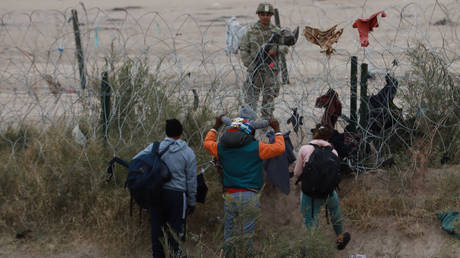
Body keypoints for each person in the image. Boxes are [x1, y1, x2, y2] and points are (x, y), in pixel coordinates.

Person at [203, 115, 285, 256]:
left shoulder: (221, 148)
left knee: (229, 233)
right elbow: (280, 148)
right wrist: (277, 130)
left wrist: (215, 126)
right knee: (246, 236)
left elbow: (207, 142)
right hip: (249, 196)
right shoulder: (256, 147)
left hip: (230, 195)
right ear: (249, 132)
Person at [134, 119, 197, 258]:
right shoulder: (187, 152)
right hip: (177, 196)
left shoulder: (155, 147)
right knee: (177, 234)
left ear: (166, 132)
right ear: (181, 132)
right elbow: (191, 180)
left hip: (156, 194)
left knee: (157, 233)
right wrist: (192, 201)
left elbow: (136, 159)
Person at [293, 124, 351, 250]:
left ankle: (311, 246)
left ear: (315, 134)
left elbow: (297, 173)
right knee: (335, 212)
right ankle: (340, 238)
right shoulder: (333, 152)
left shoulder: (305, 149)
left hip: (310, 194)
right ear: (328, 137)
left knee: (311, 219)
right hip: (329, 192)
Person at [239, 2, 289, 119]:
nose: (265, 16)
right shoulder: (250, 32)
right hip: (255, 71)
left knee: (269, 101)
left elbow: (285, 47)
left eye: (268, 14)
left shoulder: (277, 31)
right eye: (262, 14)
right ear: (258, 15)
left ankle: (266, 126)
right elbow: (243, 49)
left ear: (271, 15)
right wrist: (250, 65)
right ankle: (250, 125)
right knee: (251, 100)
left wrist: (275, 50)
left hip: (270, 71)